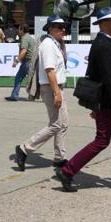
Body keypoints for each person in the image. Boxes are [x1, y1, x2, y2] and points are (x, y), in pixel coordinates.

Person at [56, 7, 111, 192]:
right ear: (105, 23)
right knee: (104, 139)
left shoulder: (105, 43)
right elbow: (108, 78)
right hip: (109, 102)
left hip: (105, 101)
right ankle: (68, 170)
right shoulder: (103, 45)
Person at [14, 15, 69, 172]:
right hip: (52, 87)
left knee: (63, 124)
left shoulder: (55, 44)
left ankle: (59, 158)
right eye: (59, 27)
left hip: (56, 87)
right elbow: (49, 70)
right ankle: (24, 148)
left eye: (63, 27)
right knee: (56, 124)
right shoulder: (48, 45)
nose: (62, 30)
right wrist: (57, 93)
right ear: (50, 28)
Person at [5, 24, 34, 101]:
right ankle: (14, 95)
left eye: (19, 29)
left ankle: (15, 96)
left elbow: (24, 51)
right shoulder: (30, 38)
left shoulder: (24, 39)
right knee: (24, 79)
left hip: (27, 62)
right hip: (29, 62)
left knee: (23, 79)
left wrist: (16, 61)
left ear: (22, 30)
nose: (18, 31)